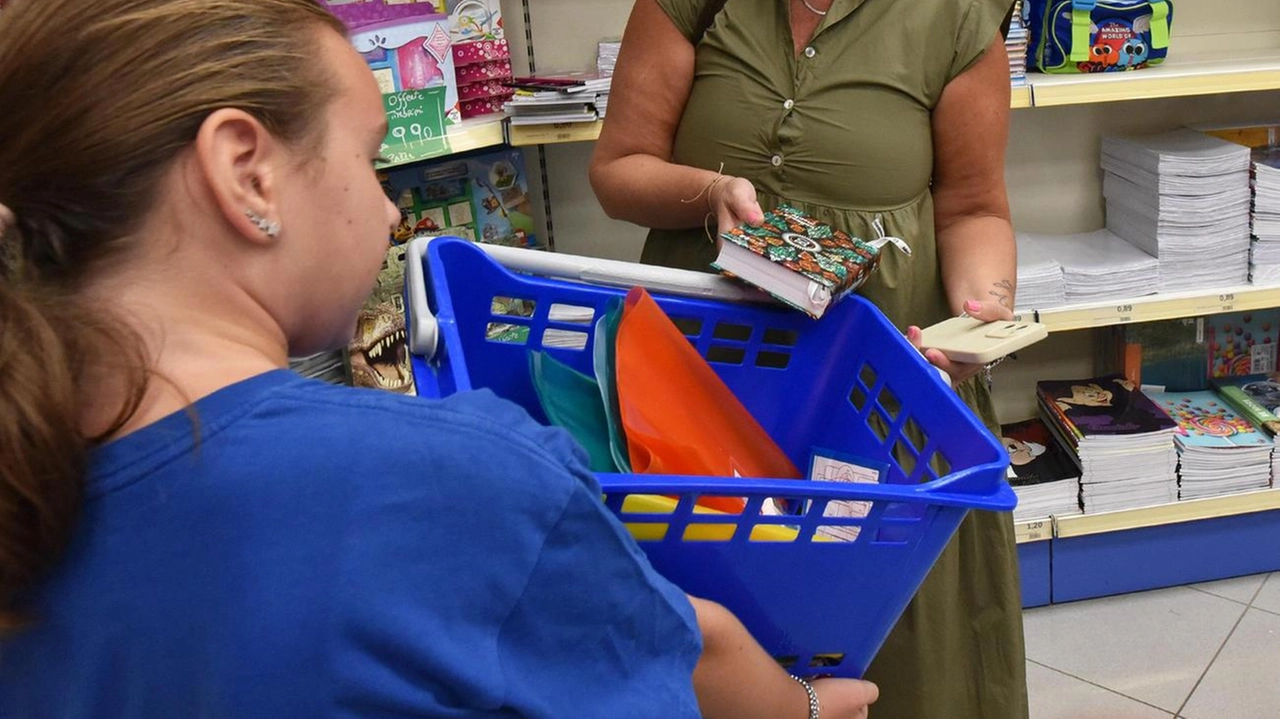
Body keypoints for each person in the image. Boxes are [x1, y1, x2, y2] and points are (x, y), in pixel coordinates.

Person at [0, 1, 879, 717]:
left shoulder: (35, 477)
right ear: (246, 171)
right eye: (371, 158)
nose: (390, 214)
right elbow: (690, 651)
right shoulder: (455, 477)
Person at [589, 0, 1028, 717]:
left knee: (880, 614)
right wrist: (709, 192)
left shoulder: (953, 18)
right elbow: (617, 168)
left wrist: (982, 309)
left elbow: (974, 207)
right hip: (709, 369)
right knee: (709, 592)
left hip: (875, 388)